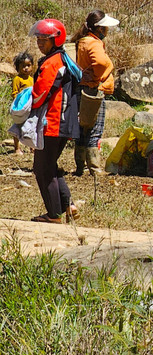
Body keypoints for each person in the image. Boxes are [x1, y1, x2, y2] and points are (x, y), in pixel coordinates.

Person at [28, 19, 80, 223]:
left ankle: (54, 215)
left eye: (45, 39)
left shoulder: (52, 62)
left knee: (42, 169)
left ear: (55, 40)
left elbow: (39, 95)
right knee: (50, 165)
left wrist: (25, 102)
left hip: (53, 121)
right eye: (39, 39)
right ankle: (68, 205)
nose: (40, 43)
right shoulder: (63, 58)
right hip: (64, 122)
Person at [72, 10, 118, 177]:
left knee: (82, 127)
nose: (106, 31)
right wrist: (99, 78)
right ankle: (95, 167)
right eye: (105, 28)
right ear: (99, 28)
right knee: (94, 128)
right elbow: (99, 62)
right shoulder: (94, 43)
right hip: (93, 90)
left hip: (81, 90)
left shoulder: (82, 41)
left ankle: (80, 167)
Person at [11, 51, 34, 156]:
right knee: (18, 126)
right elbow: (15, 93)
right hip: (21, 107)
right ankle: (17, 148)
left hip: (30, 106)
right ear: (18, 67)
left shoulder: (32, 79)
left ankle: (32, 147)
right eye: (23, 66)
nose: (26, 68)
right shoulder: (17, 79)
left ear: (32, 66)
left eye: (28, 65)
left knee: (31, 126)